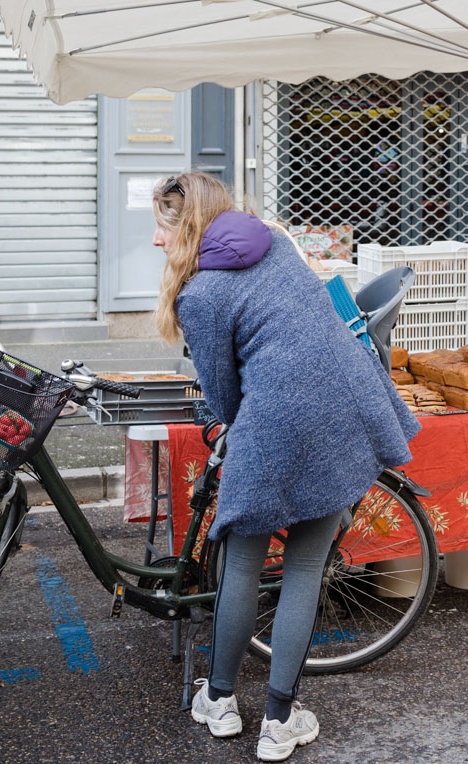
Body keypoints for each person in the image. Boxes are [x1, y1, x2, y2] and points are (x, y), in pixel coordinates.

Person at [151, 172, 419, 761]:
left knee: (243, 563)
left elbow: (222, 399)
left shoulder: (200, 295)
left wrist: (235, 421)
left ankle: (219, 702)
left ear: (189, 229)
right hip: (346, 406)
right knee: (303, 568)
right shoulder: (274, 243)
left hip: (276, 421)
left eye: (162, 228)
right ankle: (279, 721)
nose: (154, 241)